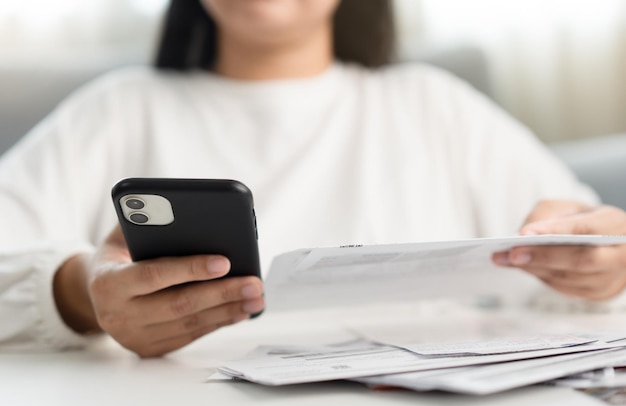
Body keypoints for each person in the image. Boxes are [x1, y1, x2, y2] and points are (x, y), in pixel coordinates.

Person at [1, 0, 625, 358]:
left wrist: (604, 265)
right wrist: (80, 294)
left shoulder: (434, 106)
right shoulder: (118, 107)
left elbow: (592, 258)